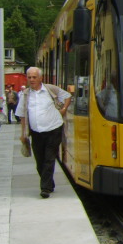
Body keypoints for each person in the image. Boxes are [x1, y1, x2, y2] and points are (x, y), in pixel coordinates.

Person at [16, 67, 72, 199]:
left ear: (40, 78)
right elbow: (22, 115)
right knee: (40, 161)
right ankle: (49, 183)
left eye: (34, 77)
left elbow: (68, 96)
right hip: (36, 132)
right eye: (29, 77)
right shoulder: (25, 94)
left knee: (49, 158)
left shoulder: (50, 89)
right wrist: (23, 133)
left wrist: (63, 110)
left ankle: (45, 188)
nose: (32, 80)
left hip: (53, 129)